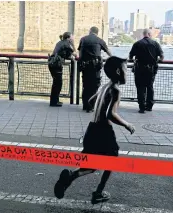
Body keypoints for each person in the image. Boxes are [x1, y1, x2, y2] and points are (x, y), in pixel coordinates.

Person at [54, 56, 135, 204]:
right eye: (125, 70)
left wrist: (99, 107)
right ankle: (98, 192)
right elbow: (110, 114)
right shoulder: (115, 91)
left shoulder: (104, 87)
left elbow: (91, 101)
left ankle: (70, 176)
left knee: (92, 164)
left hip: (92, 129)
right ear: (118, 71)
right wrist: (127, 124)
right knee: (112, 161)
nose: (127, 73)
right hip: (104, 131)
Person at [129, 28, 164, 113]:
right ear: (149, 34)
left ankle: (141, 107)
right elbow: (162, 57)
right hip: (151, 69)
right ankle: (149, 106)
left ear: (143, 34)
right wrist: (157, 61)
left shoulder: (137, 43)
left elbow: (130, 57)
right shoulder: (155, 43)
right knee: (150, 87)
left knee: (140, 88)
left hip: (139, 69)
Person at [78, 26, 112, 113]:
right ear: (97, 32)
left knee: (85, 86)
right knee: (94, 87)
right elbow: (108, 52)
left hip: (85, 66)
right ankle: (91, 106)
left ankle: (85, 105)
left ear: (90, 31)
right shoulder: (100, 40)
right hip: (95, 67)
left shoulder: (83, 39)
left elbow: (80, 52)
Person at [48, 32, 76, 107]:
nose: (73, 38)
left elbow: (65, 54)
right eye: (72, 37)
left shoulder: (60, 42)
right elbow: (75, 53)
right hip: (56, 64)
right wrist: (72, 43)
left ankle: (55, 101)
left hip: (52, 63)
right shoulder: (67, 43)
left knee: (56, 83)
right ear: (68, 38)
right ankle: (53, 102)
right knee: (58, 83)